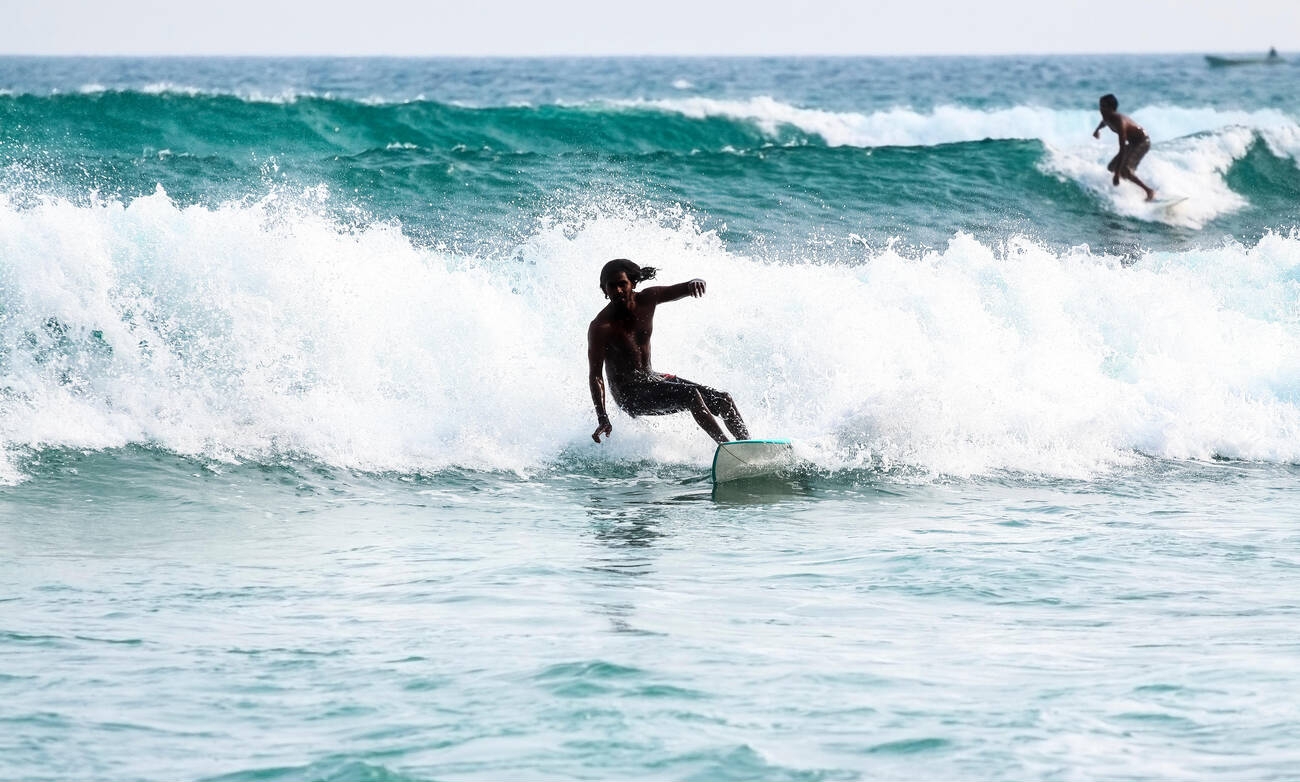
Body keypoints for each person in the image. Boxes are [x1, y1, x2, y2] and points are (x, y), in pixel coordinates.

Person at [587, 258, 750, 445]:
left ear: (633, 283)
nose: (618, 290)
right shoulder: (601, 327)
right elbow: (595, 375)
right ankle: (727, 448)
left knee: (723, 400)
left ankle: (748, 446)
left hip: (652, 380)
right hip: (629, 395)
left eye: (622, 284)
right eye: (611, 286)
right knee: (690, 395)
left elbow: (683, 288)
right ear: (604, 289)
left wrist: (694, 282)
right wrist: (602, 417)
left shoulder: (648, 298)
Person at [1093, 93, 1156, 201]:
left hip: (1142, 142)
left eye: (1103, 106)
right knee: (1111, 167)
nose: (1101, 109)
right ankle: (1133, 189)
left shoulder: (1119, 122)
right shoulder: (1107, 117)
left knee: (1125, 169)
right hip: (1132, 143)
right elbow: (1104, 122)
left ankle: (1149, 191)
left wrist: (1117, 174)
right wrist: (1097, 130)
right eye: (1100, 106)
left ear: (1111, 108)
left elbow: (1122, 149)